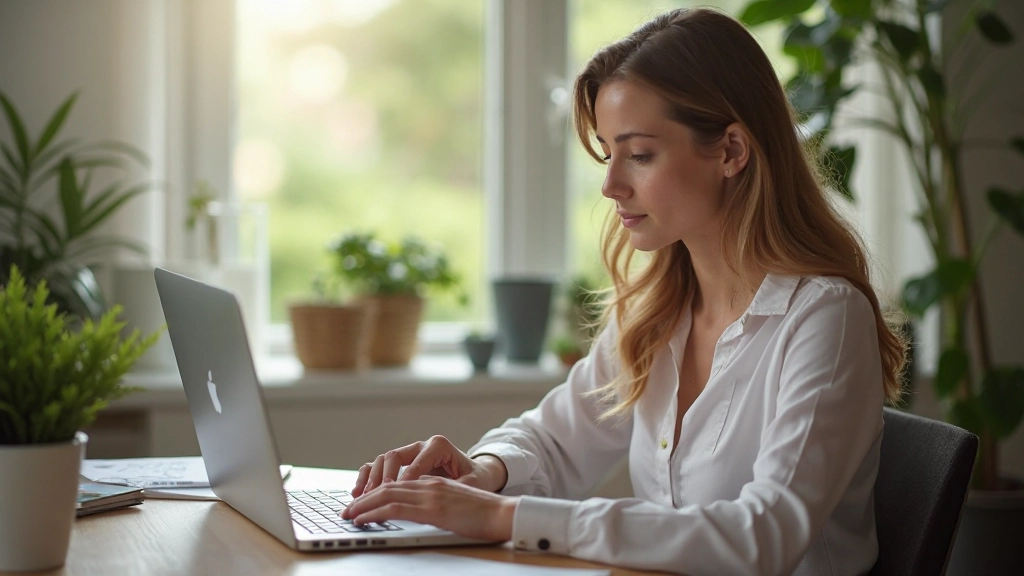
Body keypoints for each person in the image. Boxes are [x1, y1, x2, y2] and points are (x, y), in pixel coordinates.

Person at [340, 7, 906, 575]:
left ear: (732, 151)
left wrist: (505, 518)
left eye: (639, 155)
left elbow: (763, 535)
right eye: (609, 154)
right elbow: (559, 441)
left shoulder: (824, 318)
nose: (611, 185)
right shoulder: (657, 310)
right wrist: (483, 471)